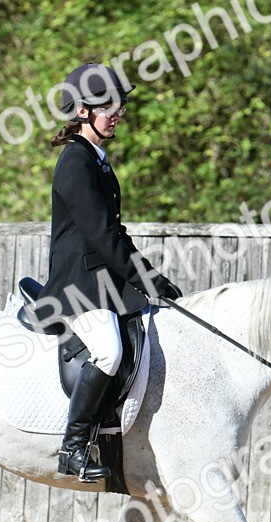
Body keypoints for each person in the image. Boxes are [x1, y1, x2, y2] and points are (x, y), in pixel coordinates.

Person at [31, 62, 183, 482]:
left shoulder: (97, 161)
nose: (117, 113)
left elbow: (116, 231)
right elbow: (100, 235)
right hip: (78, 287)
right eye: (107, 106)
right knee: (109, 351)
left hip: (103, 283)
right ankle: (73, 447)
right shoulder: (76, 162)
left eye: (120, 105)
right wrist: (144, 279)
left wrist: (152, 276)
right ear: (82, 111)